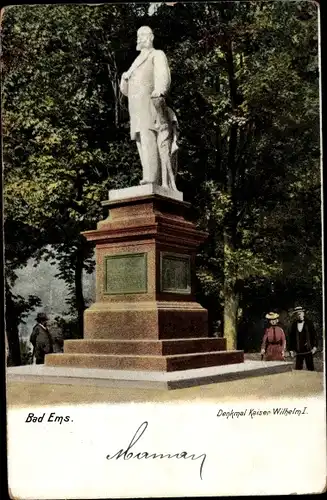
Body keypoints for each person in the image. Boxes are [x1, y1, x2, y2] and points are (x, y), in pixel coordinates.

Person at [120, 26, 179, 189]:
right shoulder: (136, 61)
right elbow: (125, 92)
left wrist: (159, 91)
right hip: (136, 109)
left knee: (149, 137)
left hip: (149, 104)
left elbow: (163, 76)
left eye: (143, 35)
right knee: (141, 141)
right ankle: (148, 174)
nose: (139, 38)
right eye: (138, 36)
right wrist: (124, 80)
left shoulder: (156, 55)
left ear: (151, 37)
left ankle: (152, 177)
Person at [289, 306, 317, 371]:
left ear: (303, 313)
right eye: (297, 314)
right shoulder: (294, 324)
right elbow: (291, 338)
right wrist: (291, 350)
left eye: (300, 313)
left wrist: (315, 347)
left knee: (311, 370)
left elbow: (314, 335)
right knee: (298, 370)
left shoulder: (309, 323)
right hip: (298, 351)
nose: (299, 315)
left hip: (308, 350)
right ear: (295, 316)